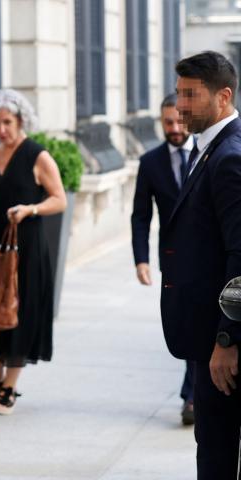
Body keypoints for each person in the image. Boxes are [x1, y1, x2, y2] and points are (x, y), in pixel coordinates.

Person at [160, 51, 241, 479]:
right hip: (207, 338)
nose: (180, 106)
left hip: (222, 344)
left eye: (190, 95)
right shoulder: (211, 149)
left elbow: (240, 255)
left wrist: (227, 338)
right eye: (179, 93)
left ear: (223, 97)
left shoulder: (229, 156)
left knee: (217, 453)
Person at [0, 89, 66, 415]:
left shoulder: (37, 156)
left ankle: (9, 385)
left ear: (21, 120)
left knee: (20, 311)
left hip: (27, 246)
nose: (2, 129)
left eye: (8, 122)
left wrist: (31, 209)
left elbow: (59, 199)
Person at [131, 93, 196, 426]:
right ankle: (193, 393)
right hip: (171, 260)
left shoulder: (208, 153)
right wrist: (140, 260)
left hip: (206, 257)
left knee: (200, 325)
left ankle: (191, 396)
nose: (175, 128)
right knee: (181, 326)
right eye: (168, 122)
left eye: (179, 121)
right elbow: (140, 216)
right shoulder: (150, 162)